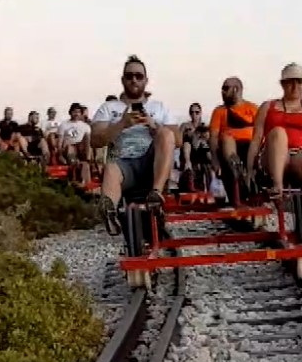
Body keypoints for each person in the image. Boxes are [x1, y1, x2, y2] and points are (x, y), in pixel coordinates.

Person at [89, 55, 179, 231]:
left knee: (165, 133)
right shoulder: (109, 108)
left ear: (146, 80)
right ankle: (110, 210)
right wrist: (121, 124)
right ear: (123, 80)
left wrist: (153, 125)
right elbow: (95, 140)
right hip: (123, 163)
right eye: (129, 76)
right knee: (112, 166)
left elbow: (178, 139)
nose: (134, 80)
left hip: (152, 162)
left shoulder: (159, 107)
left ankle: (156, 195)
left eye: (138, 76)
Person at [245, 63, 302, 199]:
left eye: (299, 83)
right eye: (291, 82)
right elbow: (256, 140)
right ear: (283, 84)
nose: (295, 87)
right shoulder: (268, 107)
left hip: (300, 158)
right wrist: (249, 169)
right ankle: (277, 186)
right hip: (272, 157)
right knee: (279, 133)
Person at [208, 77, 258, 201]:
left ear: (236, 89)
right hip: (228, 148)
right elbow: (213, 137)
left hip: (251, 146)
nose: (222, 92)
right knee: (226, 138)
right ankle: (237, 173)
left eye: (225, 88)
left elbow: (261, 132)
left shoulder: (252, 109)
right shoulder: (219, 111)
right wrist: (214, 160)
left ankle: (249, 179)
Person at [179, 102, 212, 193]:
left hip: (202, 153)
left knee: (204, 144)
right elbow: (179, 141)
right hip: (189, 152)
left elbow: (210, 142)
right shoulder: (185, 126)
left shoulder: (204, 127)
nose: (194, 115)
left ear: (200, 113)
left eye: (197, 112)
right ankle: (188, 164)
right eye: (192, 112)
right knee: (188, 140)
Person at [59, 102, 94, 186]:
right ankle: (74, 169)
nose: (76, 114)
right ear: (70, 112)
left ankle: (87, 160)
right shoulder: (64, 125)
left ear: (81, 113)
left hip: (81, 148)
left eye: (78, 112)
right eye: (74, 111)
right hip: (69, 147)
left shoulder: (85, 126)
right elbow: (60, 141)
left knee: (87, 138)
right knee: (70, 146)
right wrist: (60, 153)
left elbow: (87, 141)